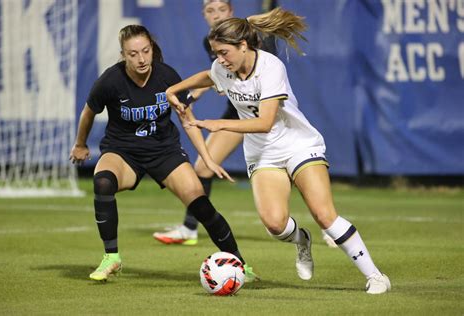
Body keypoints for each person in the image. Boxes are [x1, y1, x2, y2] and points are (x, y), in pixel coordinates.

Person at [164, 8, 391, 294]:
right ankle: (302, 241)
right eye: (216, 53)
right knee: (274, 224)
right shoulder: (224, 68)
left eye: (223, 52)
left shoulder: (270, 67)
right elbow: (209, 76)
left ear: (243, 45)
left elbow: (265, 122)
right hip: (263, 155)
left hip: (298, 144)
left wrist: (216, 124)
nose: (219, 59)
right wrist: (174, 89)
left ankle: (375, 276)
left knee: (324, 214)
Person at [69, 24, 258, 282]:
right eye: (133, 53)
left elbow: (186, 118)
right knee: (102, 182)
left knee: (200, 203)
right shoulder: (110, 81)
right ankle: (111, 256)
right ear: (123, 54)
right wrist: (80, 144)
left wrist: (207, 157)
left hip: (164, 151)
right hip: (123, 151)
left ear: (152, 48)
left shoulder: (166, 76)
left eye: (145, 50)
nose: (141, 58)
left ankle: (240, 264)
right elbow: (89, 111)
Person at [152, 0, 342, 248]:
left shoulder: (252, 38)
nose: (216, 15)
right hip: (238, 114)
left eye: (221, 9)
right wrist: (190, 95)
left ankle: (328, 225)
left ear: (231, 12)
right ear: (204, 15)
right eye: (210, 11)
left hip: (269, 116)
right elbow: (214, 76)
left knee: (299, 170)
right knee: (203, 169)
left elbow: (260, 75)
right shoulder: (212, 43)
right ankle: (189, 228)